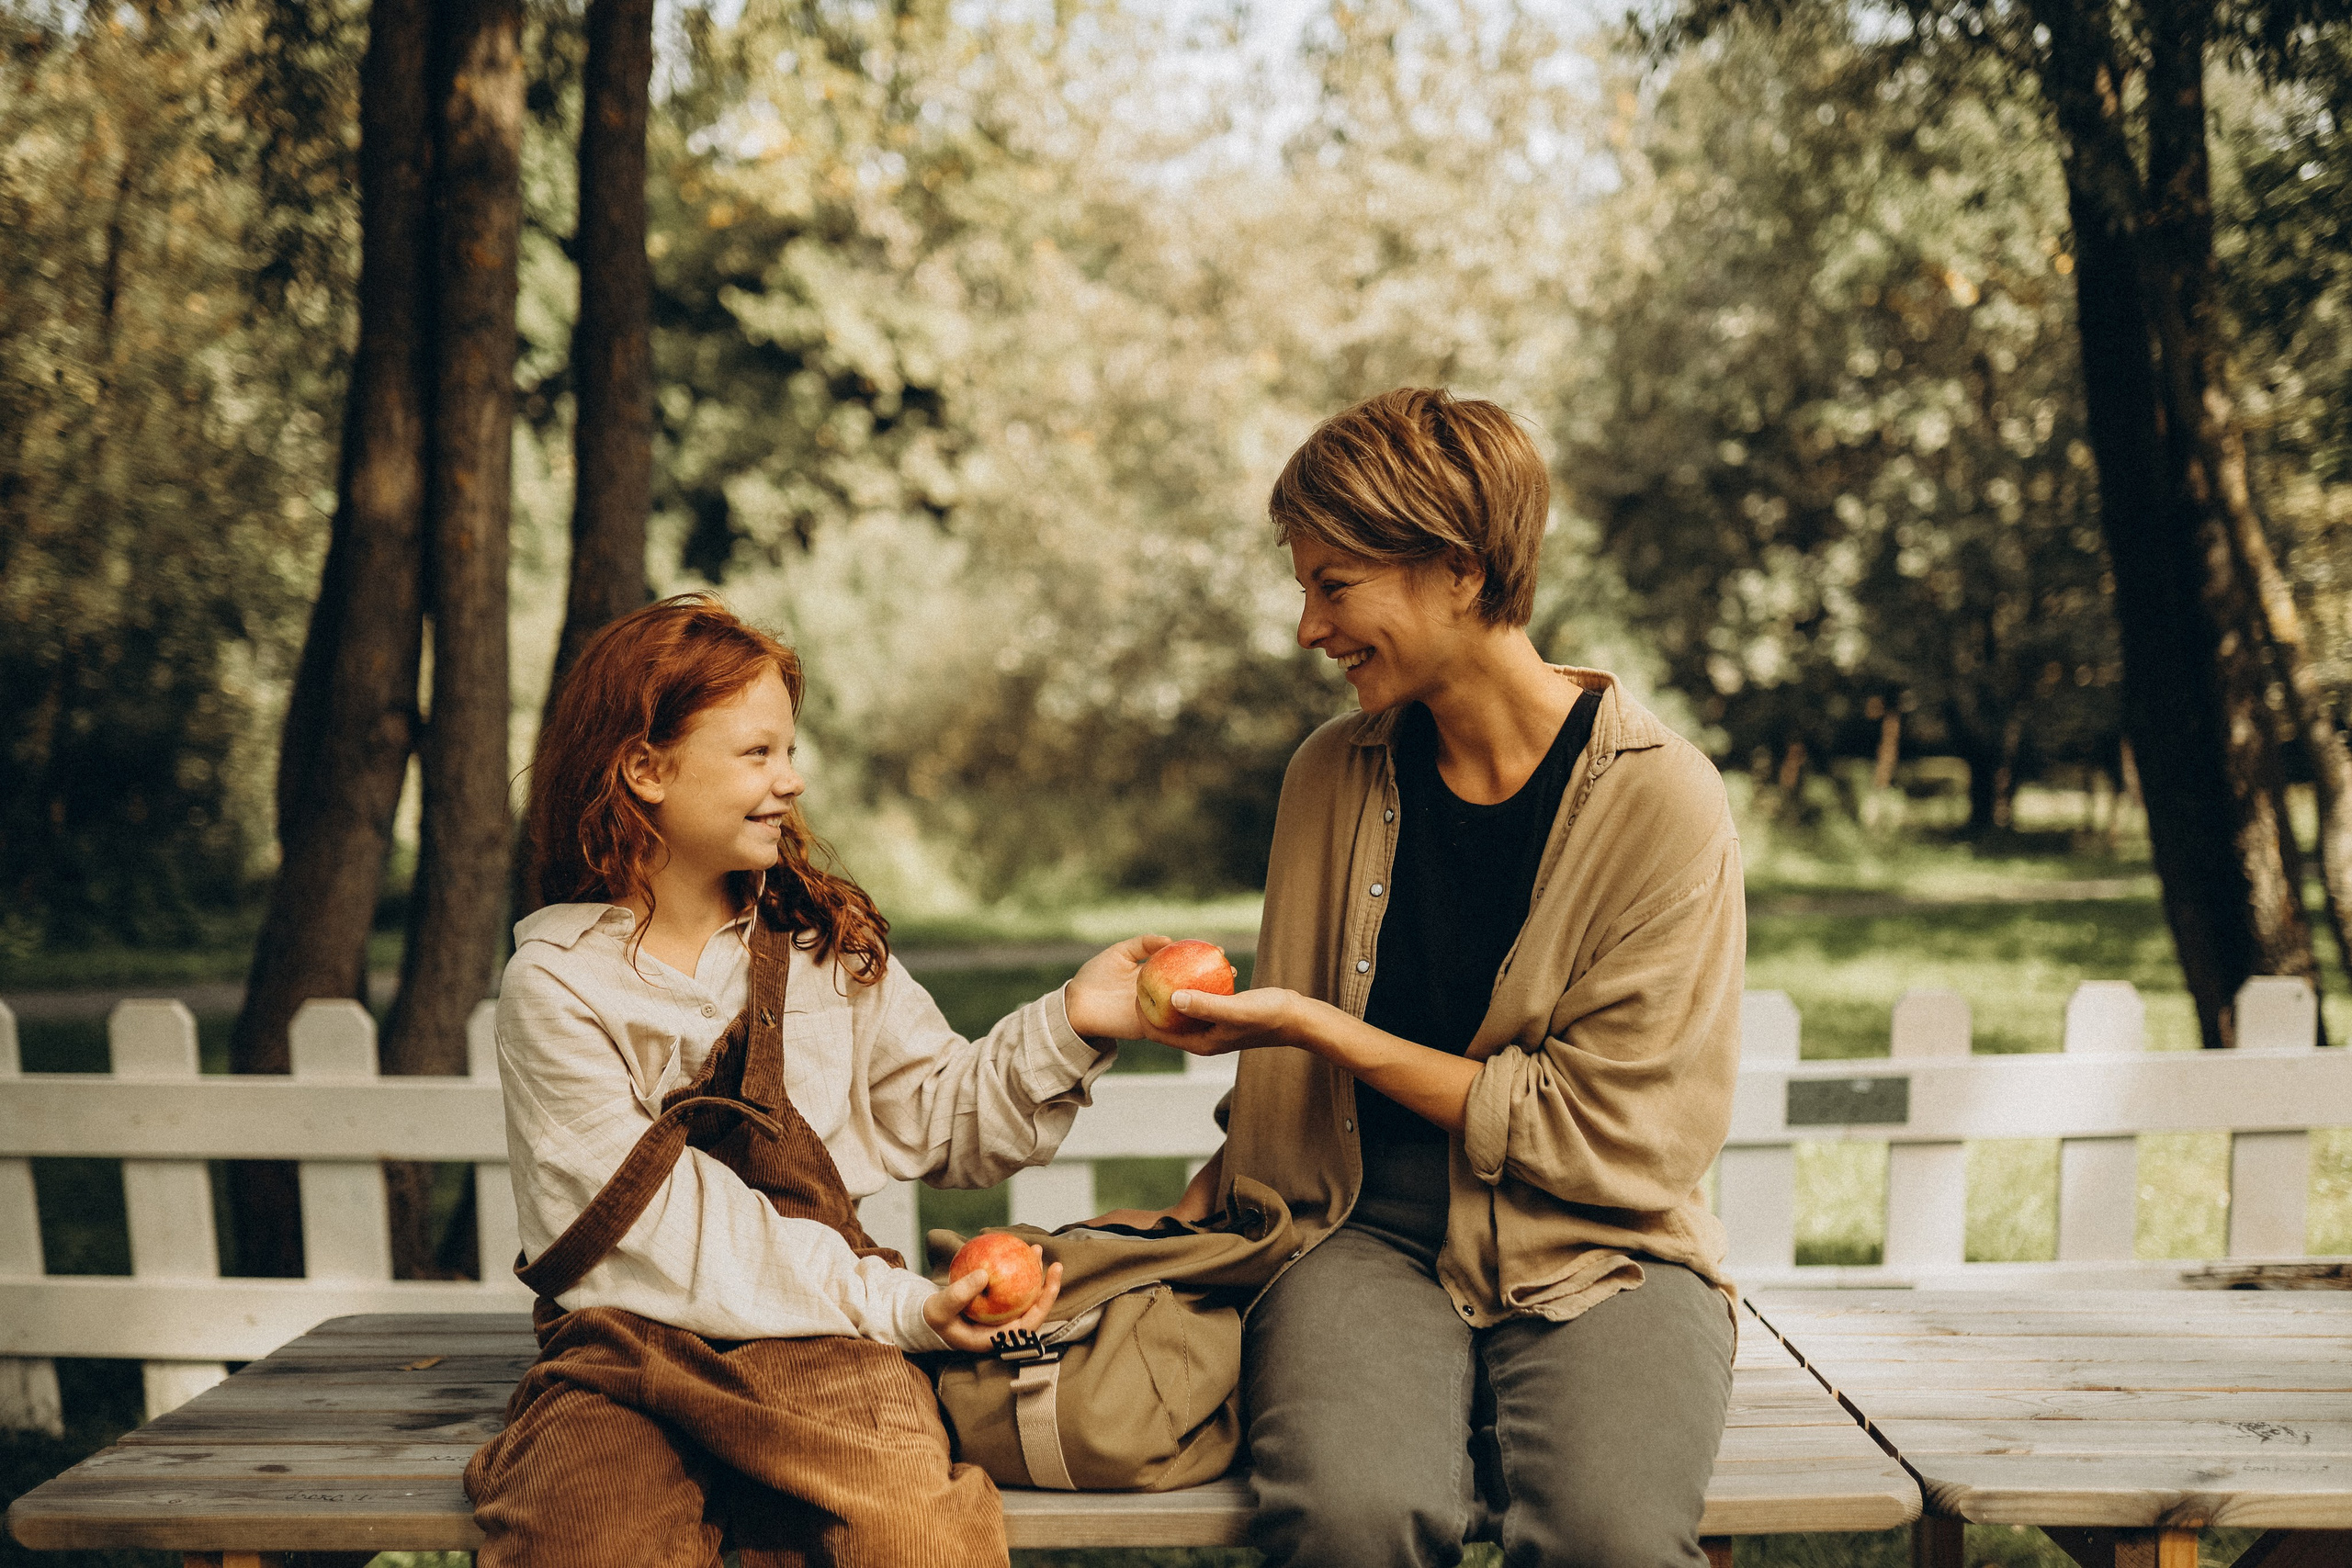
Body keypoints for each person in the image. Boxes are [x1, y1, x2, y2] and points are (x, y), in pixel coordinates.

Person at [1115, 389, 1746, 1567]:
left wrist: (1313, 1026)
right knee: (1351, 1521)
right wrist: (1195, 1201)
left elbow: (1620, 1132)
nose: (1308, 628)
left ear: (1460, 570)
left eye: (1334, 585)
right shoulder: (1327, 777)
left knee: (1609, 1537)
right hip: (1353, 1223)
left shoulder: (1663, 800)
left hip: (1601, 1238)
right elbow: (1285, 1100)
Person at [464, 593, 1162, 1568]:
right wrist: (899, 1306)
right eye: (757, 753)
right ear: (645, 769)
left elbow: (942, 1117)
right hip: (623, 1347)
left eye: (788, 750)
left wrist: (1072, 1022)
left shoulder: (819, 944)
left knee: (916, 1537)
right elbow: (668, 1232)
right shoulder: (560, 984)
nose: (791, 780)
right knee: (586, 1540)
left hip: (828, 1347)